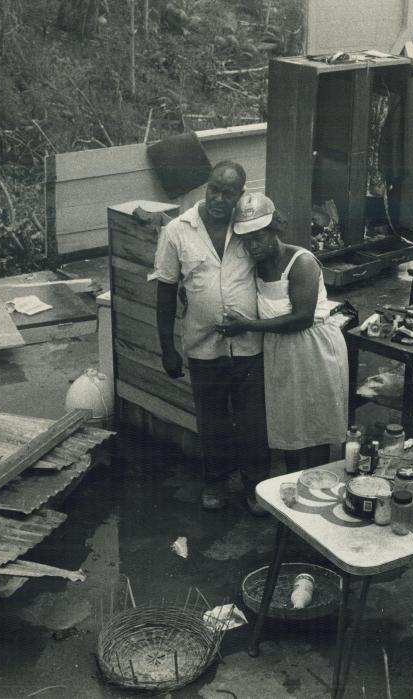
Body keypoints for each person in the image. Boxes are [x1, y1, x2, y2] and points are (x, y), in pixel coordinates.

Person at [148, 161, 270, 515]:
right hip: (202, 344)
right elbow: (167, 291)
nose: (218, 198)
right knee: (212, 418)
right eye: (213, 189)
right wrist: (166, 348)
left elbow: (275, 257)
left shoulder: (250, 226)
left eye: (228, 193)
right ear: (206, 187)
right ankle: (215, 481)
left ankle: (254, 486)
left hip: (249, 343)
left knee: (252, 419)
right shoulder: (177, 231)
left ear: (240, 195)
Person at [217, 193, 349, 472]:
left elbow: (301, 318)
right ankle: (291, 484)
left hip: (313, 349)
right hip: (281, 351)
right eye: (247, 239)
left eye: (260, 237)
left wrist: (247, 325)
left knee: (315, 424)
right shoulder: (256, 264)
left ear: (275, 229)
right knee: (290, 424)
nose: (253, 246)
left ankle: (316, 482)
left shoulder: (301, 262)